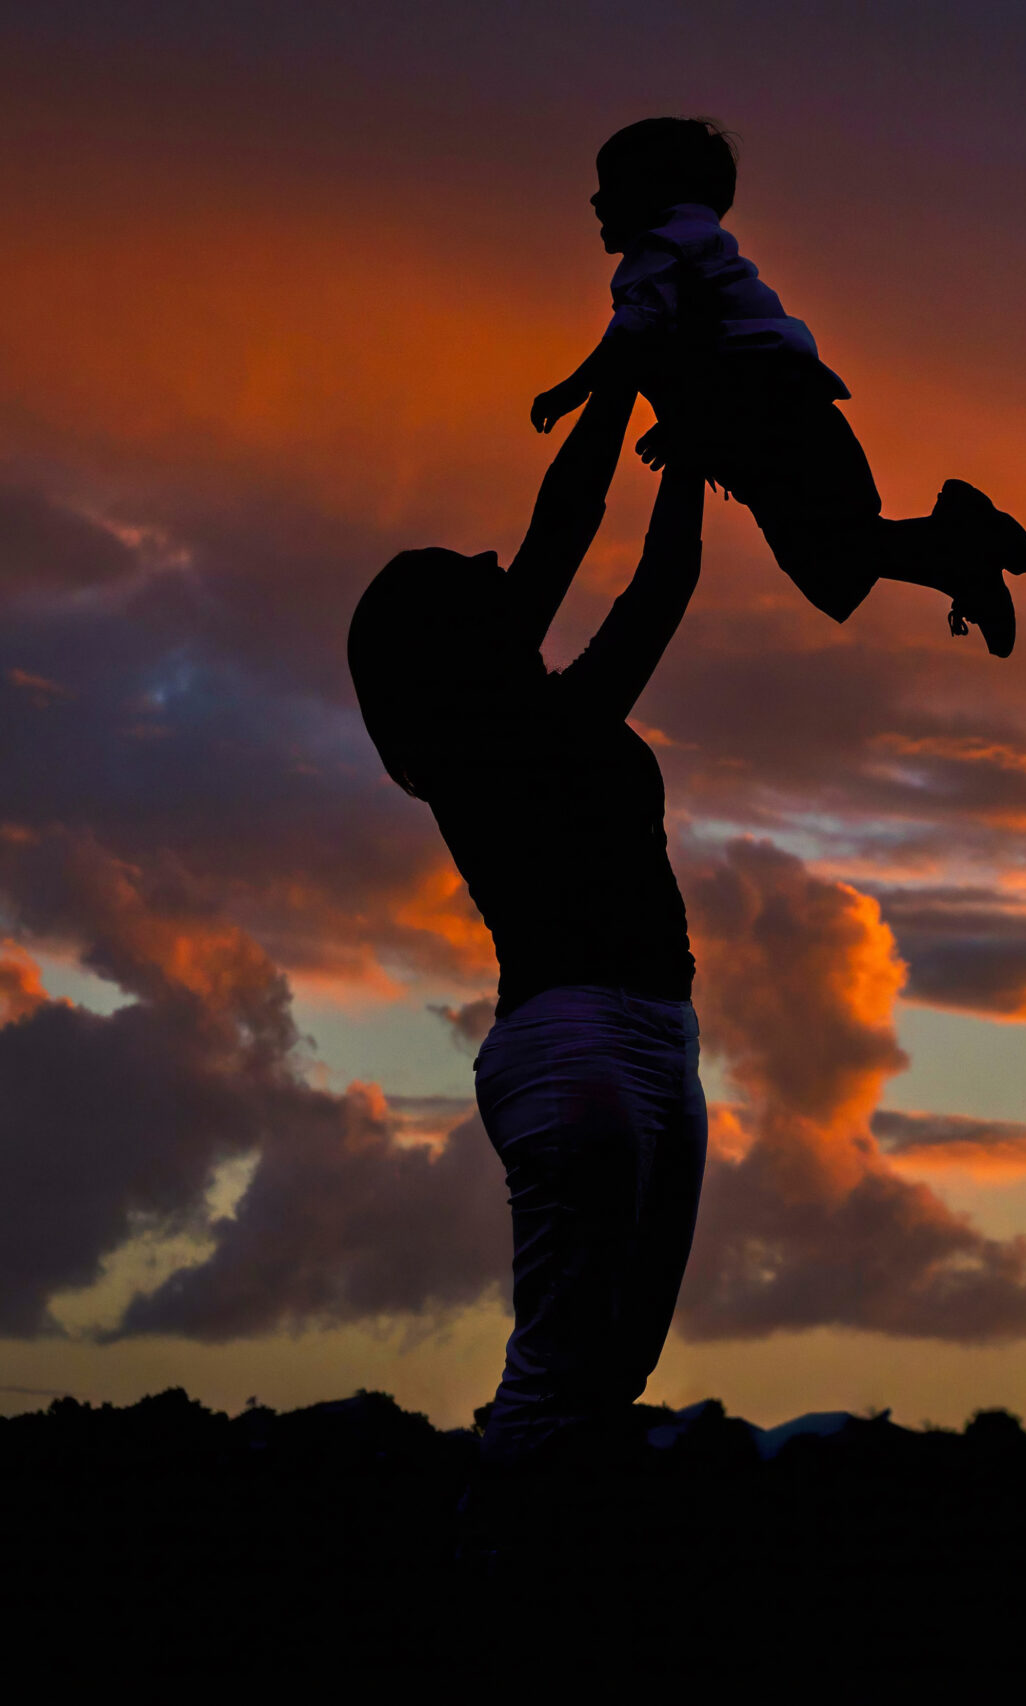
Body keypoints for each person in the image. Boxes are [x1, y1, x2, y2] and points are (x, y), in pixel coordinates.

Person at [348, 384, 709, 1488]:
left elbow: (661, 584)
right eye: (477, 574)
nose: (501, 561)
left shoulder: (555, 713)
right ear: (459, 645)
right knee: (562, 1372)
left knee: (607, 1377)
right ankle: (496, 1561)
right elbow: (580, 531)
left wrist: (685, 440)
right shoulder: (480, 743)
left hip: (655, 1037)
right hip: (574, 1043)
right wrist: (630, 387)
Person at [530, 116, 1026, 655]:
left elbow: (639, 329)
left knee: (829, 550)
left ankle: (964, 542)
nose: (595, 200)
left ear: (655, 192)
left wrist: (574, 392)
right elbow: (676, 339)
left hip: (763, 411)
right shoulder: (698, 245)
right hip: (783, 409)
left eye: (610, 186)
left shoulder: (662, 247)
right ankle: (964, 555)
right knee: (834, 547)